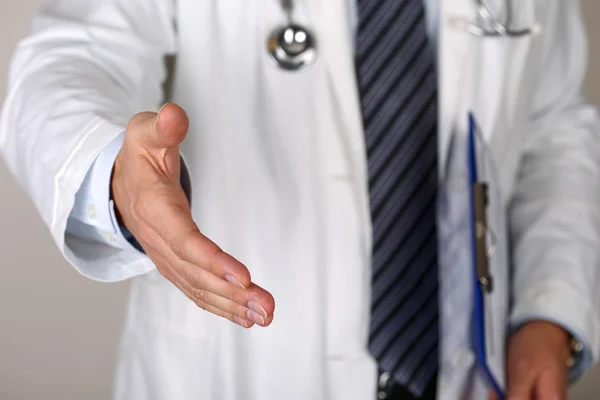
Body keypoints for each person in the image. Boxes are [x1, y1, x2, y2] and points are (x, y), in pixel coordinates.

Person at [1, 0, 599, 399]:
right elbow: (72, 54)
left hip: (470, 369)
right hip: (236, 369)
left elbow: (552, 127)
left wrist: (547, 312)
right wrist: (113, 175)